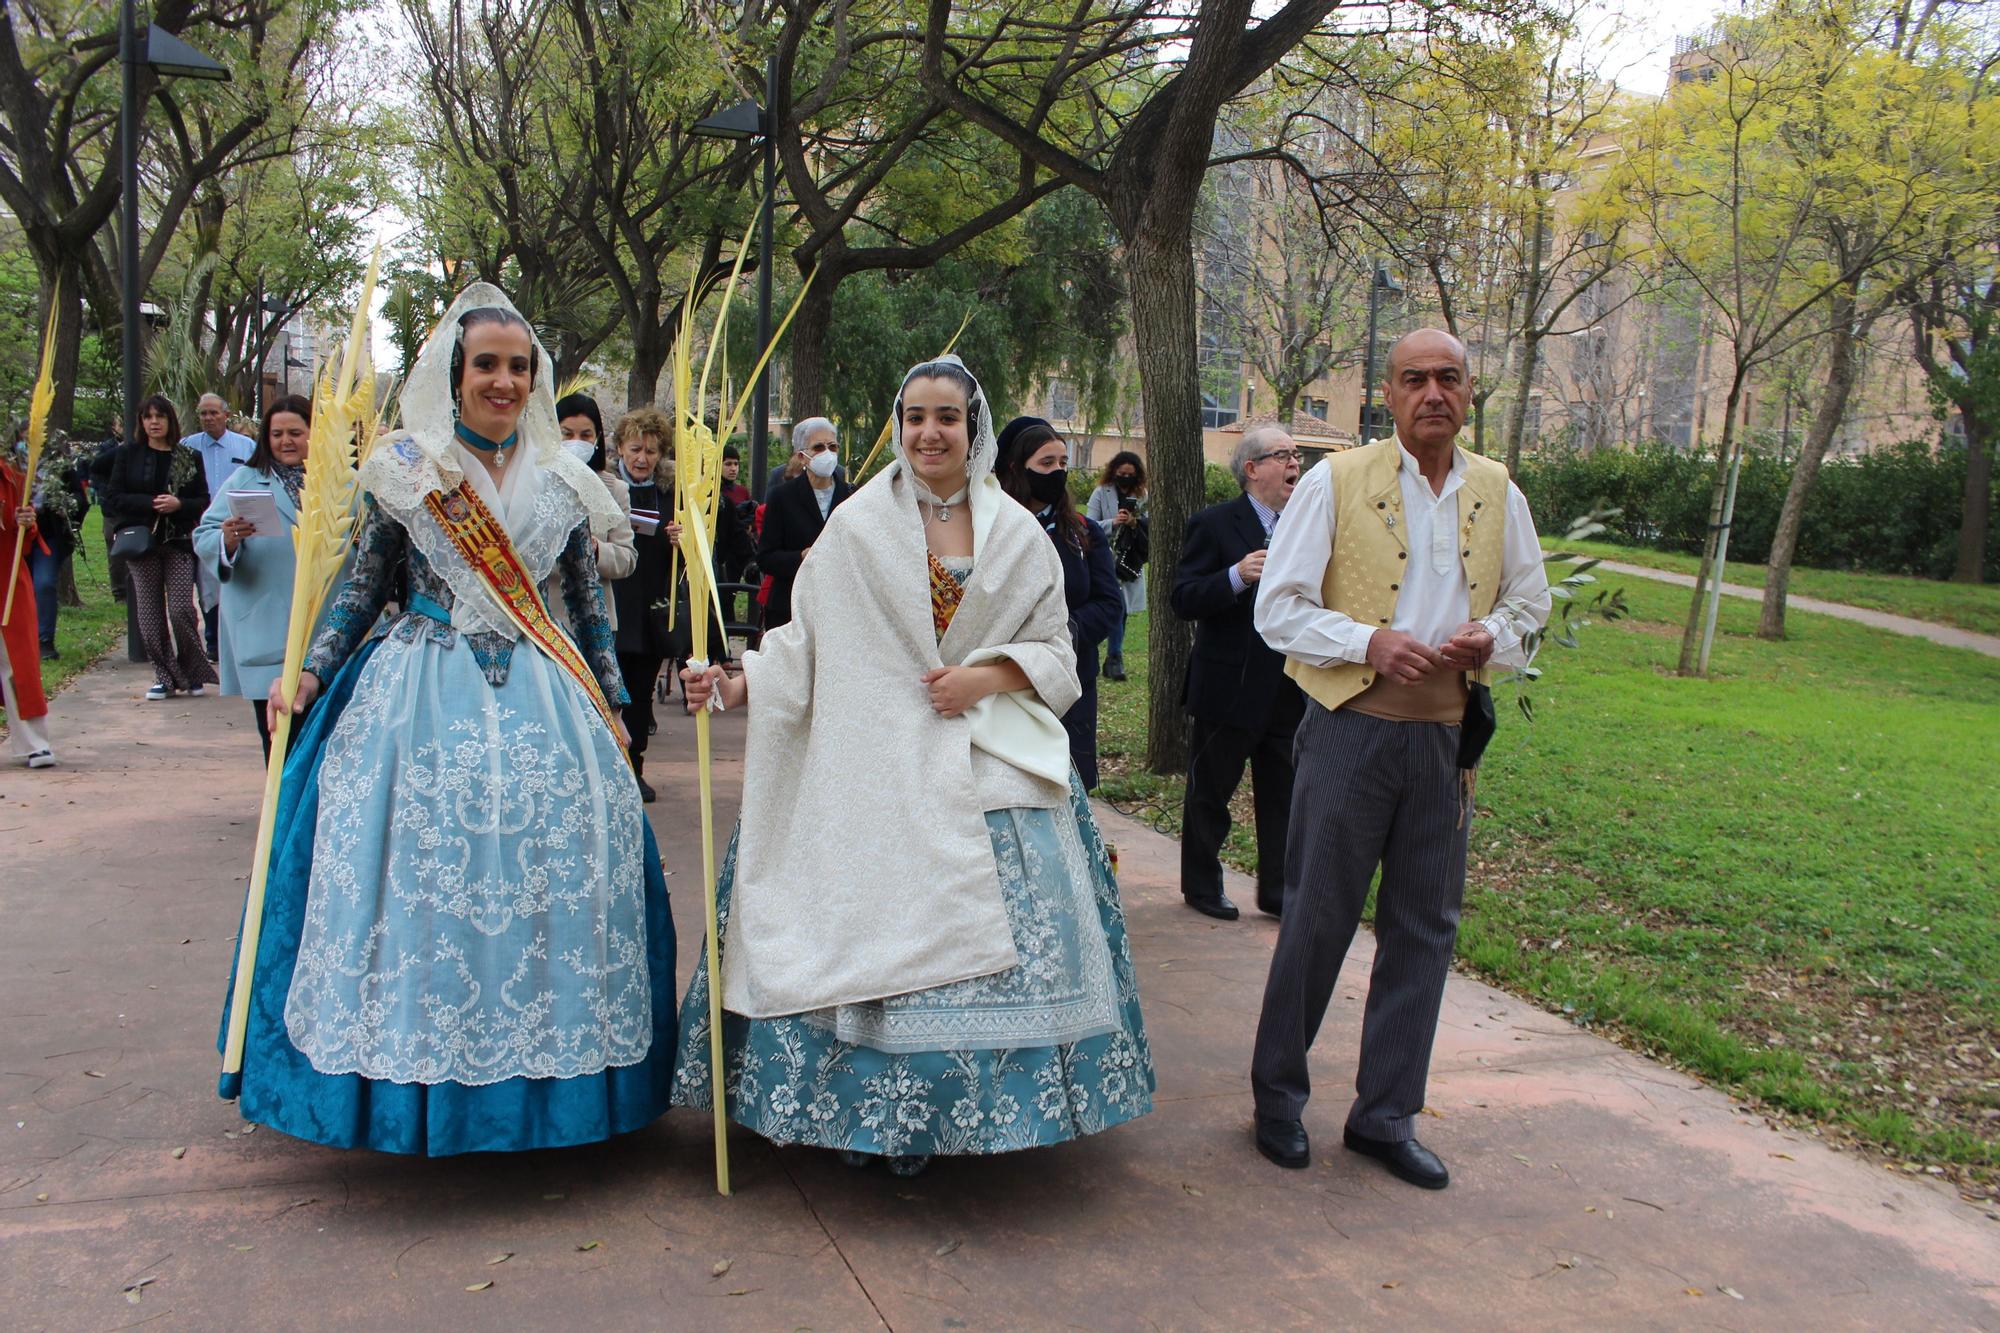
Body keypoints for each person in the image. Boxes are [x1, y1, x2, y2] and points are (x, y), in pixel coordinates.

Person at [217, 283, 675, 1156]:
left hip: (548, 701)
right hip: (418, 701)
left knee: (558, 886)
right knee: (418, 889)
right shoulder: (405, 470)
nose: (502, 382)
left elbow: (582, 607)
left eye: (517, 367)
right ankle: (410, 1090)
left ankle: (553, 1095)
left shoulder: (563, 483)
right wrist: (309, 676)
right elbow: (361, 588)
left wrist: (617, 707)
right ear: (455, 374)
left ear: (533, 379)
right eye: (486, 366)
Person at [672, 355, 1154, 1177]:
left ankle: (972, 1116)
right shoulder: (857, 525)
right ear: (897, 428)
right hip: (874, 760)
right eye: (915, 417)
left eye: (947, 417)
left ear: (974, 430)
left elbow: (1056, 649)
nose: (930, 433)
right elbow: (808, 643)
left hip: (989, 755)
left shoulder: (1016, 536)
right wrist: (736, 681)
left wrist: (984, 676)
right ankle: (865, 1112)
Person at [1248, 330, 1550, 1187]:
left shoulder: (1496, 491)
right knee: (1318, 918)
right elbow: (1280, 606)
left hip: (1446, 742)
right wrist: (1367, 641)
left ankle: (1385, 1114)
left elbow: (1532, 600)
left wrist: (1493, 633)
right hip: (1350, 729)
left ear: (1469, 392)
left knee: (1424, 928)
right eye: (1415, 379)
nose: (1433, 394)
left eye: (1448, 379)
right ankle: (1277, 1096)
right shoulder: (1339, 481)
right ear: (1388, 393)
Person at [1170, 427, 1306, 921]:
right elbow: (1183, 598)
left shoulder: (1309, 525)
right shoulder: (1213, 524)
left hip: (1289, 688)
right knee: (1210, 795)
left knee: (1284, 801)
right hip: (1227, 689)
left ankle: (1277, 891)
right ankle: (1202, 887)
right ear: (1252, 469)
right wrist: (1235, 575)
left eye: (1298, 455)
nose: (1296, 464)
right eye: (1284, 456)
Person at [994, 416, 1121, 790]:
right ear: (1017, 468)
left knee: (1069, 784)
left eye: (1063, 463)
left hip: (1071, 678)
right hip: (1007, 681)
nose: (1058, 472)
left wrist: (1063, 632)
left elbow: (1109, 604)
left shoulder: (1083, 532)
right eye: (1046, 464)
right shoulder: (992, 529)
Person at [192, 395, 315, 758]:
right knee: (278, 734)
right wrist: (228, 539)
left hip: (322, 623)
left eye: (295, 432)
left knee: (322, 734)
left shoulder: (340, 482)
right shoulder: (246, 478)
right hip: (266, 622)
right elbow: (205, 535)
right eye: (277, 433)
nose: (285, 441)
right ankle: (280, 812)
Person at [102, 396, 216, 700]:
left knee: (180, 609)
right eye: (148, 416)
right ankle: (164, 676)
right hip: (140, 543)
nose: (154, 422)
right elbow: (113, 496)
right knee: (149, 612)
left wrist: (179, 504)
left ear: (170, 420)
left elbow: (203, 500)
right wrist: (150, 503)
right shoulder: (128, 454)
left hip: (178, 541)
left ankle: (192, 671)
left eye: (160, 416)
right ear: (141, 422)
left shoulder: (188, 456)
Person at [606, 407, 676, 802]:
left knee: (640, 690)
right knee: (609, 689)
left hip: (650, 606)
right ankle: (610, 764)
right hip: (615, 601)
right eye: (635, 449)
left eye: (650, 451)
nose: (642, 459)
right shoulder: (605, 486)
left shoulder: (669, 493)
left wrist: (679, 539)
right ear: (620, 447)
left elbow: (687, 559)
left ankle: (635, 765)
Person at [552, 392, 637, 639]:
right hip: (543, 619)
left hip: (594, 624)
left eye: (585, 435)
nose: (576, 442)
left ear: (597, 438)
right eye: (567, 434)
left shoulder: (614, 489)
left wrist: (595, 548)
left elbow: (627, 558)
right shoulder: (535, 484)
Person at [756, 417, 851, 631]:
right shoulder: (782, 497)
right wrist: (800, 556)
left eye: (832, 446)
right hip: (789, 607)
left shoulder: (851, 495)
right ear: (802, 456)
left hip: (838, 608)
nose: (827, 453)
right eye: (818, 447)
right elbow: (765, 557)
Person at [184, 394, 257, 659]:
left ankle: (231, 636)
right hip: (198, 522)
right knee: (206, 584)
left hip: (236, 525)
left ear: (226, 415)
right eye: (203, 413)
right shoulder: (188, 447)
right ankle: (212, 640)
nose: (208, 418)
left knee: (228, 579)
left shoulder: (245, 446)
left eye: (213, 413)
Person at [0, 447, 55, 768]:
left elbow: (27, 536)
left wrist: (26, 522)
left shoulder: (12, 475)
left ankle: (35, 743)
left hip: (7, 582)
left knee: (17, 665)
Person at [1085, 452, 1148, 681]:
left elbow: (1149, 527)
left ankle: (1113, 657)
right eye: (1122, 474)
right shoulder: (1101, 494)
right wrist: (1113, 522)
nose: (1126, 479)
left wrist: (1134, 523)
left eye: (1130, 475)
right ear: (1113, 472)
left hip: (1129, 561)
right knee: (1116, 606)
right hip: (1105, 559)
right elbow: (1088, 525)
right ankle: (1114, 657)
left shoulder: (1142, 496)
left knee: (1121, 612)